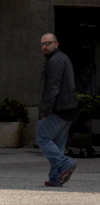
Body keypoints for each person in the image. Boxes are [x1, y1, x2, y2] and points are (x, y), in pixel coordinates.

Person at [37, 32, 79, 187]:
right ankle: (55, 178)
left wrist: (45, 111)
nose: (44, 47)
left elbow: (52, 88)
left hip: (57, 109)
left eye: (48, 43)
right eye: (42, 44)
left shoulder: (55, 61)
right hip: (68, 109)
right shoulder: (62, 59)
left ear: (56, 44)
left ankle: (65, 163)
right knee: (57, 144)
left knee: (42, 138)